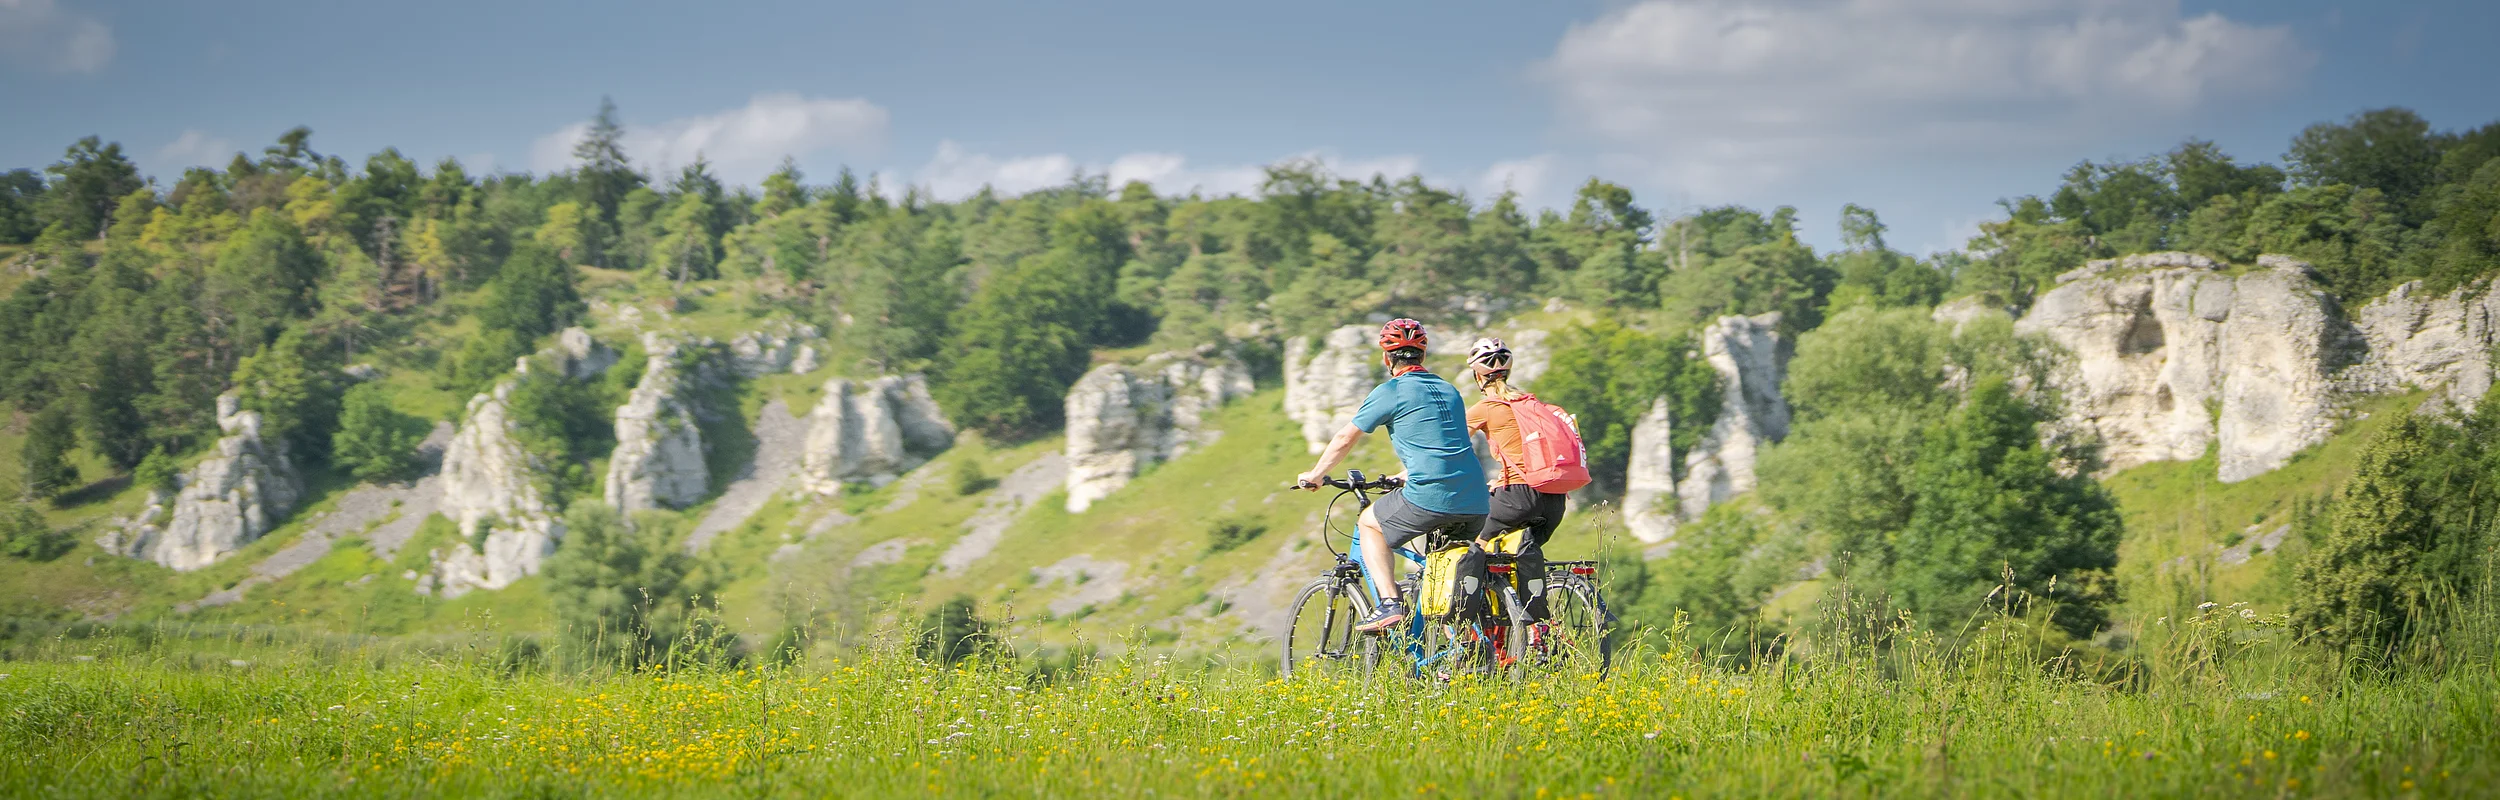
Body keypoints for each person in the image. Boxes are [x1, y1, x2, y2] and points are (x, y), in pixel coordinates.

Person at [1295, 318, 1489, 632]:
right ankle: (1453, 648)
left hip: (1431, 495)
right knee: (1443, 577)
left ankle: (1388, 604)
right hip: (1477, 500)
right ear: (1422, 356)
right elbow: (1446, 444)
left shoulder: (1392, 391)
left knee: (1369, 523)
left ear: (1388, 359)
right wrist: (1408, 473)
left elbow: (1345, 438)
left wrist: (1317, 474)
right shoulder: (1449, 390)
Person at [1463, 337, 1569, 621]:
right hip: (1555, 500)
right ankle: (1536, 631)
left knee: (1470, 544)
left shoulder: (1486, 406)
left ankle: (1464, 630)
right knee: (1519, 556)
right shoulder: (1533, 404)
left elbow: (1448, 448)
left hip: (1518, 496)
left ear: (1477, 375)